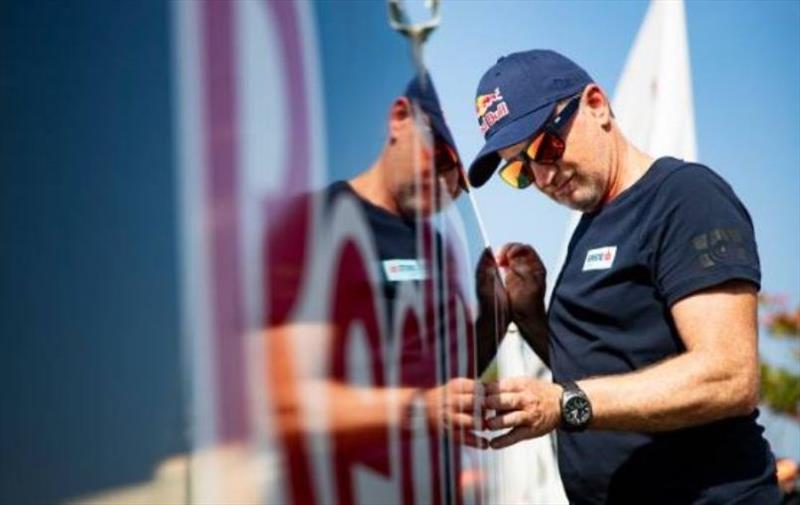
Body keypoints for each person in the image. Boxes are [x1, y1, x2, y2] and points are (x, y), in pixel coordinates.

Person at [466, 49, 781, 504]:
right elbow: (598, 373)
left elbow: (728, 376)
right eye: (520, 170)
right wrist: (532, 314)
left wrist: (561, 405)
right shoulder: (590, 225)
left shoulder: (684, 196)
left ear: (596, 104)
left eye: (545, 147)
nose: (543, 174)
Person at [263, 72, 503, 504]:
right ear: (399, 120)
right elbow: (285, 402)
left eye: (463, 182)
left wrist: (496, 311)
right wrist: (420, 409)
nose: (449, 185)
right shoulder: (313, 225)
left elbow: (448, 383)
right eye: (445, 159)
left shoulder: (437, 247)